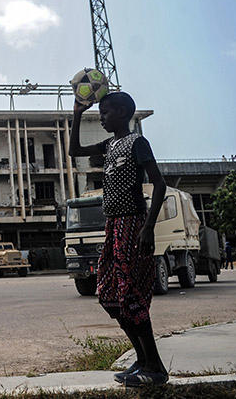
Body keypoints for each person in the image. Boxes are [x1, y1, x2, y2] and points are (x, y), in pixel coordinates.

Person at [69, 91, 168, 386]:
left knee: (130, 294)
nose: (101, 118)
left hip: (132, 222)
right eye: (99, 113)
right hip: (112, 224)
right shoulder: (109, 145)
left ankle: (156, 368)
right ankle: (141, 360)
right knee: (109, 295)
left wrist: (148, 228)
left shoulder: (137, 142)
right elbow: (74, 150)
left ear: (123, 112)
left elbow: (160, 184)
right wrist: (76, 114)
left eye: (106, 112)